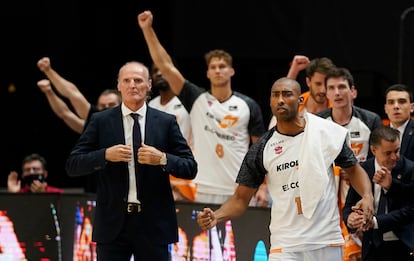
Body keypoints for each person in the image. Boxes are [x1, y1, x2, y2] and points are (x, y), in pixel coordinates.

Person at [196, 77, 374, 261]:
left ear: (300, 100)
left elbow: (353, 169)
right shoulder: (262, 148)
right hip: (285, 244)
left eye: (287, 94)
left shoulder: (324, 132)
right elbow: (240, 199)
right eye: (275, 95)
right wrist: (216, 216)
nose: (280, 99)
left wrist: (367, 196)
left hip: (324, 239)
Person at [65, 61, 197, 261]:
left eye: (138, 80)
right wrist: (105, 155)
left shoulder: (166, 122)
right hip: (112, 225)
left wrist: (162, 158)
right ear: (118, 86)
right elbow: (73, 165)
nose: (132, 85)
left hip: (154, 224)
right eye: (126, 80)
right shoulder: (101, 121)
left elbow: (190, 168)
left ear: (149, 85)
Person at [138, 10, 268, 206]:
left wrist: (264, 185)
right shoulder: (196, 99)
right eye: (213, 67)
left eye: (222, 66)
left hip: (239, 189)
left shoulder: (248, 105)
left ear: (231, 71)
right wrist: (147, 29)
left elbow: (261, 150)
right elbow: (165, 66)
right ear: (207, 73)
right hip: (203, 189)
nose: (218, 70)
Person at [317, 67, 383, 260]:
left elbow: (377, 158)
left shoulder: (370, 120)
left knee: (359, 248)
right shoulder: (317, 121)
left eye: (342, 87)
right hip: (327, 192)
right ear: (327, 93)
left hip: (360, 191)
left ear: (353, 91)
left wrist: (356, 171)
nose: (337, 92)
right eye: (332, 88)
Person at [343, 126, 414, 260]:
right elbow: (348, 206)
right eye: (388, 153)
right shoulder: (363, 170)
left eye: (397, 151)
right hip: (372, 247)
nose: (394, 157)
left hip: (403, 246)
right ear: (373, 150)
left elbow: (410, 211)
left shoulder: (409, 169)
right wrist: (350, 219)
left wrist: (375, 222)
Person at [148, 63, 196, 202]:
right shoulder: (151, 105)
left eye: (162, 69)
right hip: (157, 166)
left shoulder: (189, 102)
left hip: (183, 163)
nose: (158, 73)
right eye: (155, 71)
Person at [37, 57, 121, 134]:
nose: (106, 108)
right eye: (102, 106)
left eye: (111, 105)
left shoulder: (130, 122)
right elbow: (66, 111)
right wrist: (49, 90)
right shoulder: (95, 126)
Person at [268, 55, 336, 128]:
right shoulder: (294, 104)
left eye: (326, 84)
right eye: (318, 84)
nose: (323, 90)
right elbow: (273, 133)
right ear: (308, 81)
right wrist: (294, 71)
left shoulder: (336, 109)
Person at [383, 83, 414, 160]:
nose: (396, 106)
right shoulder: (378, 134)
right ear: (386, 108)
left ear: (412, 107)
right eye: (391, 102)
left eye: (402, 101)